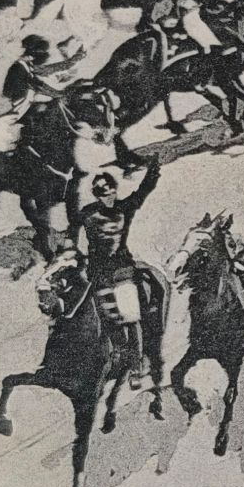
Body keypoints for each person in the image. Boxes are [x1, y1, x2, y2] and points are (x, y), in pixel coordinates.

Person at [73, 161, 163, 387]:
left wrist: (153, 171)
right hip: (100, 273)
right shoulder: (88, 213)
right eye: (103, 191)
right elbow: (71, 229)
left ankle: (135, 365)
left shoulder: (125, 207)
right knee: (103, 317)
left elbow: (142, 193)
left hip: (123, 271)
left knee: (131, 315)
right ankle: (111, 355)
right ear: (96, 194)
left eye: (111, 189)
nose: (109, 194)